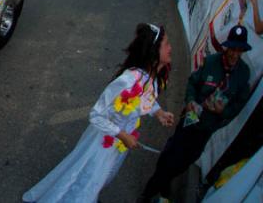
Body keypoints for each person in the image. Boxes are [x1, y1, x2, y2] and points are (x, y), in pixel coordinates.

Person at [23, 23, 174, 203]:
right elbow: (96, 115)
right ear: (153, 51)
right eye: (166, 44)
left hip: (121, 143)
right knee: (88, 177)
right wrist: (122, 135)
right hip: (103, 141)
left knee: (100, 178)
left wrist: (158, 113)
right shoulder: (128, 80)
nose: (170, 48)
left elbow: (144, 100)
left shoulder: (151, 79)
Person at [139, 26, 252, 202]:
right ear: (226, 47)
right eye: (232, 49)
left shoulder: (243, 74)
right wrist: (190, 100)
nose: (234, 54)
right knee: (172, 153)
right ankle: (149, 192)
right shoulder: (211, 62)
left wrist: (224, 111)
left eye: (239, 50)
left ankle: (164, 183)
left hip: (208, 126)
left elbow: (239, 104)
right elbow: (192, 82)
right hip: (191, 117)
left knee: (187, 160)